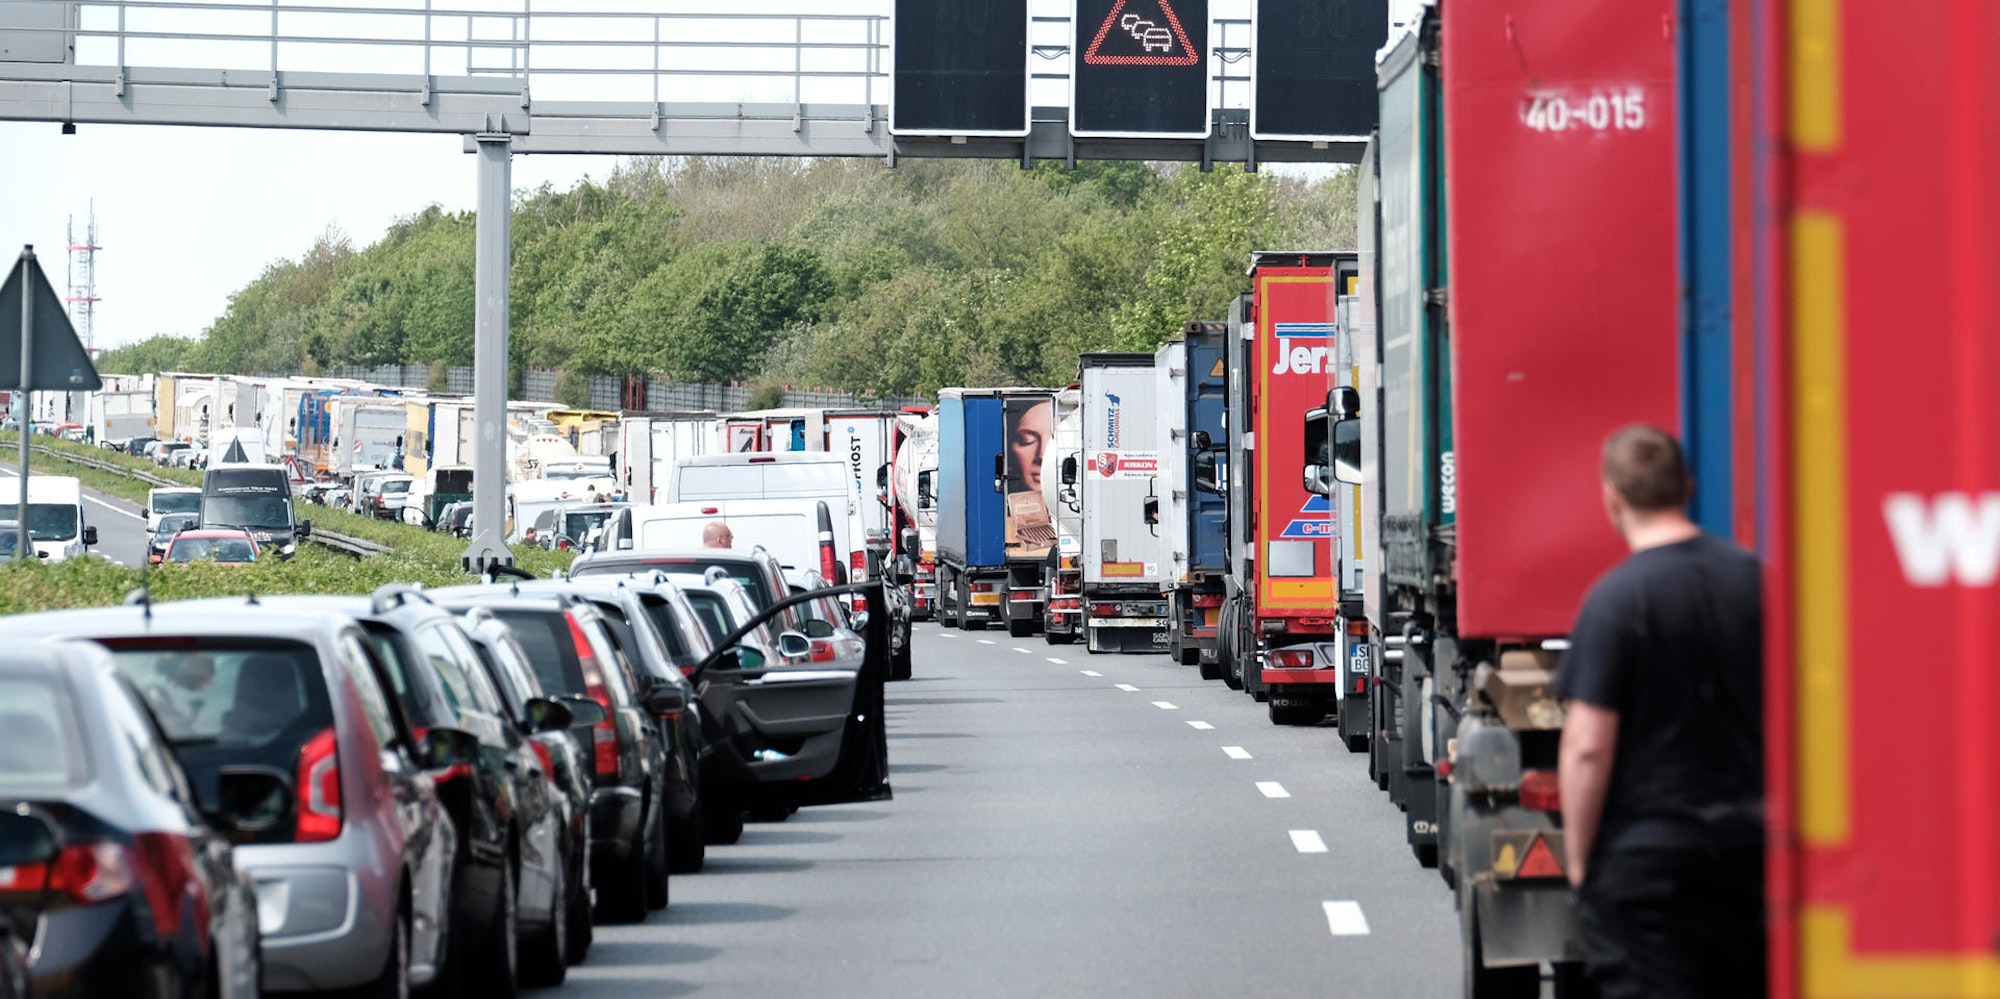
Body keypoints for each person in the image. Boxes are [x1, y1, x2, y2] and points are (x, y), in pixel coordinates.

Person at [1554, 425, 1764, 999]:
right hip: (1753, 856)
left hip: (1650, 867)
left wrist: (1578, 860)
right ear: (1688, 486)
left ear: (1612, 499)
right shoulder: (1755, 582)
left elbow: (1588, 746)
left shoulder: (1615, 600)